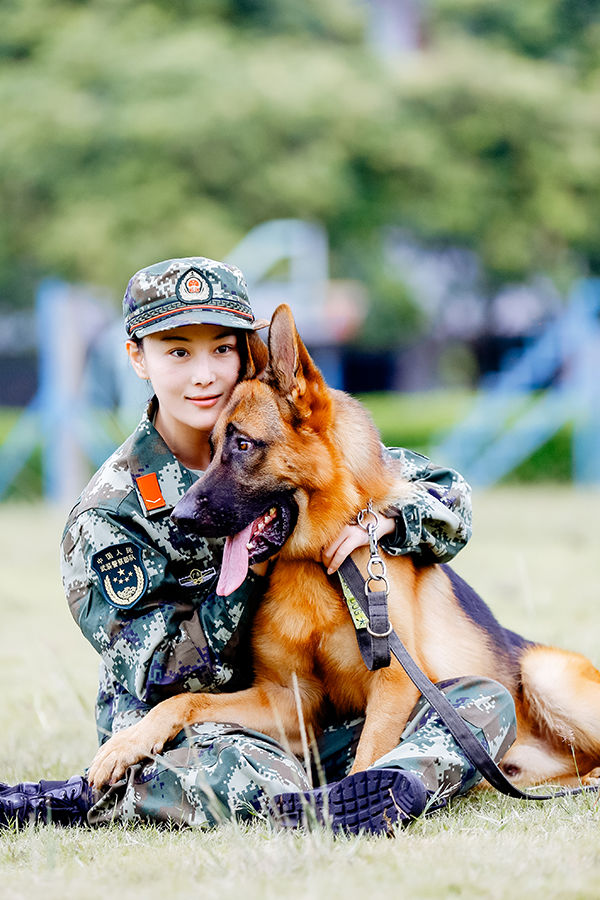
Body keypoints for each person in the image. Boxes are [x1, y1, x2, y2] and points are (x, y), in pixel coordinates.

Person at [0, 257, 516, 835]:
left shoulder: (280, 434)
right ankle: (95, 798)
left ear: (248, 353)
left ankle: (369, 793)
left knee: (479, 703)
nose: (204, 375)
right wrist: (254, 564)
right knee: (234, 767)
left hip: (301, 720)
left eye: (221, 349)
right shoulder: (110, 512)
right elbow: (165, 673)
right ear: (137, 358)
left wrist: (386, 521)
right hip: (199, 731)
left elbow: (446, 495)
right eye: (177, 352)